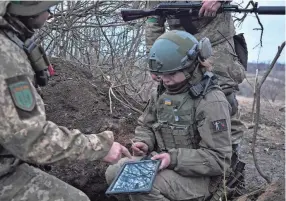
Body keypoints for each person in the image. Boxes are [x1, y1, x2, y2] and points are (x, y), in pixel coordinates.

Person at [0, 1, 131, 201]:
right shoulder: (7, 57)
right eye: (47, 8)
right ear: (29, 9)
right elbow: (32, 140)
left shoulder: (10, 41)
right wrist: (100, 146)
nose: (50, 14)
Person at [105, 30, 232, 201]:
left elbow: (219, 159)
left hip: (199, 178)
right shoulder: (162, 92)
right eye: (161, 74)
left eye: (171, 74)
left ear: (191, 67)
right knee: (114, 173)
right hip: (162, 164)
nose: (165, 80)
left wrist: (173, 159)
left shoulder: (211, 102)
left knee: (140, 185)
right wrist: (144, 142)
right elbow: (147, 125)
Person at [145, 0, 246, 154]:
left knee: (223, 101)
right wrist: (154, 59)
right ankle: (186, 156)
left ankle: (227, 162)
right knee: (175, 100)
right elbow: (153, 18)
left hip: (217, 44)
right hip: (179, 51)